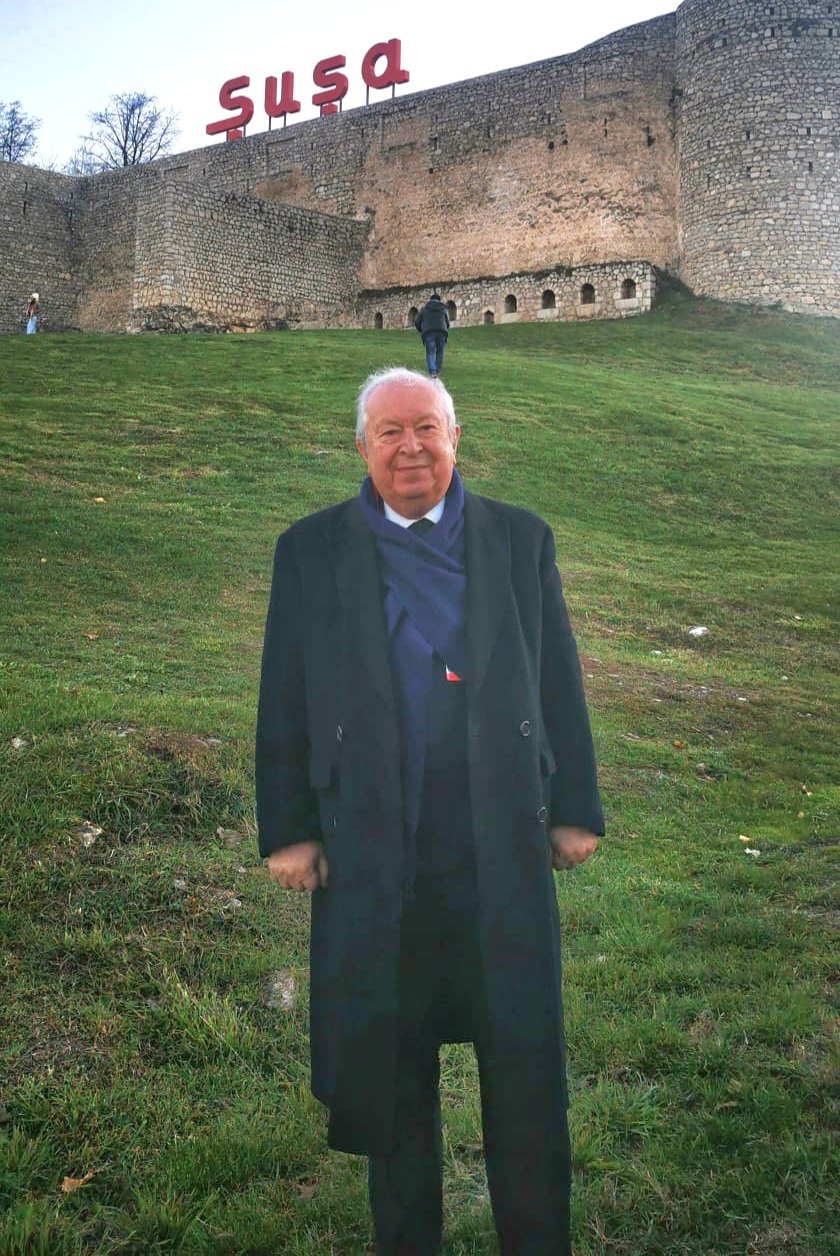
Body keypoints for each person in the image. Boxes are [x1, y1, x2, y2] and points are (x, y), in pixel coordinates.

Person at [256, 366, 604, 1256]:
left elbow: (556, 680)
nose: (410, 447)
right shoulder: (310, 549)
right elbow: (284, 693)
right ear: (361, 447)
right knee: (394, 1074)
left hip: (497, 843)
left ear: (455, 437)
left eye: (426, 428)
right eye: (390, 432)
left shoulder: (519, 539)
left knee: (525, 1073)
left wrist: (574, 807)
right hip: (376, 849)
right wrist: (290, 828)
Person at [414, 293, 450, 377]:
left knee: (430, 352)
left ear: (430, 300)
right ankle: (437, 370)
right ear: (439, 300)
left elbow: (417, 322)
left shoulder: (424, 309)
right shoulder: (443, 309)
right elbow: (447, 323)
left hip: (429, 333)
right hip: (441, 332)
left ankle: (433, 371)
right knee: (440, 352)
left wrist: (421, 330)